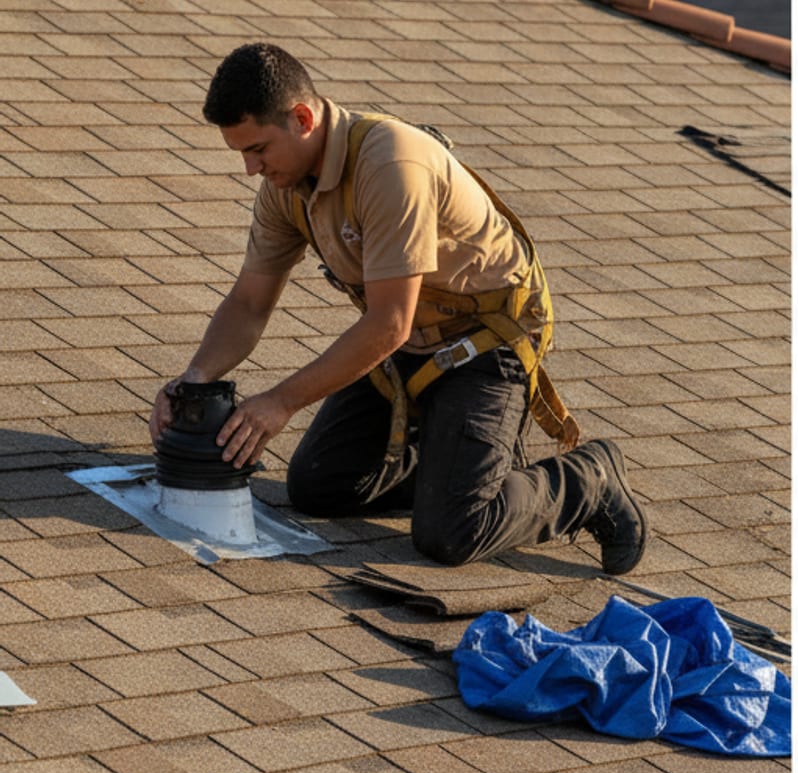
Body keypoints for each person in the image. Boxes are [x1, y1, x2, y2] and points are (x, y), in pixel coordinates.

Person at [148, 43, 647, 572]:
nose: (251, 168)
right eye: (241, 153)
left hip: (484, 342)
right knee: (320, 488)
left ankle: (589, 479)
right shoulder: (286, 185)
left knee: (451, 534)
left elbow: (389, 322)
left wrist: (280, 402)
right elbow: (249, 302)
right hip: (411, 344)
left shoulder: (389, 163)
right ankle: (460, 467)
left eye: (258, 149)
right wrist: (194, 378)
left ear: (302, 118)